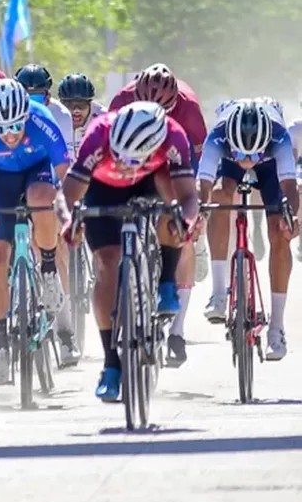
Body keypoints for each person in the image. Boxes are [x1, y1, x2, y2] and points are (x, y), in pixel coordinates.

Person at [60, 101, 199, 400]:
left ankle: (165, 282)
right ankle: (111, 365)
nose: (126, 164)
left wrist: (186, 222)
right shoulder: (97, 135)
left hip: (154, 181)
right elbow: (68, 195)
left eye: (133, 158)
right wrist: (69, 222)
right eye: (120, 155)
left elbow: (189, 197)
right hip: (103, 188)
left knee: (173, 213)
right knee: (107, 265)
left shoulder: (174, 137)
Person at [0, 79, 76, 381]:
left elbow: (65, 178)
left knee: (42, 199)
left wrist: (67, 213)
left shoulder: (42, 119)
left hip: (37, 171)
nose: (10, 134)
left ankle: (50, 271)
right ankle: (1, 346)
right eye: (0, 129)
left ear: (26, 116)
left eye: (16, 126)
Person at [110, 63, 207, 358]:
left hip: (174, 156)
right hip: (132, 156)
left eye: (164, 109)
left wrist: (196, 208)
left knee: (179, 225)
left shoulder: (188, 109)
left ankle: (176, 329)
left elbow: (200, 165)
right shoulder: (120, 102)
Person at [198, 101, 299, 361]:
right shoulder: (217, 137)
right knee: (219, 196)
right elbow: (204, 184)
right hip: (226, 162)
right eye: (241, 155)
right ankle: (219, 292)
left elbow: (289, 186)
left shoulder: (279, 138)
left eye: (253, 156)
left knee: (280, 232)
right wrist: (200, 212)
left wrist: (292, 218)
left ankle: (276, 328)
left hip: (270, 167)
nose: (247, 161)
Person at [16, 64, 73, 152]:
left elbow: (66, 157)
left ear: (48, 97)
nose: (32, 104)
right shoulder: (6, 110)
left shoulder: (62, 115)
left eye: (37, 97)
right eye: (26, 97)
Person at [57, 73, 106, 155]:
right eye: (70, 105)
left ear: (90, 103)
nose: (76, 110)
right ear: (61, 103)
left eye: (82, 105)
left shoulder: (103, 119)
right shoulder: (52, 115)